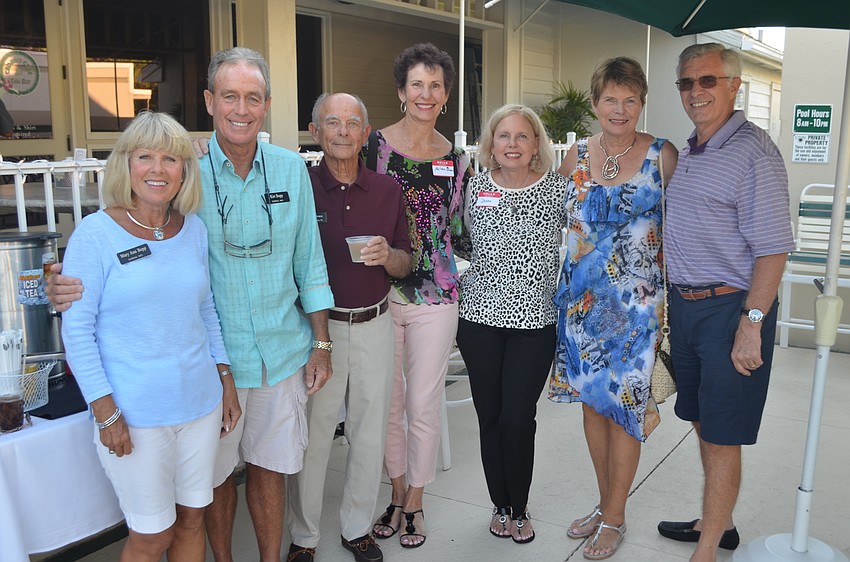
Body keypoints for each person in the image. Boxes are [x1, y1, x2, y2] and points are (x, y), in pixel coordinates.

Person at [47, 47, 335, 562]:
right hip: (209, 373)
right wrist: (64, 284)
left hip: (278, 353)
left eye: (252, 98)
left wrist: (321, 342)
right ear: (209, 101)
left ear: (267, 105)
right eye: (229, 96)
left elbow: (309, 263)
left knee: (268, 472)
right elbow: (122, 254)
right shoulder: (187, 167)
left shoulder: (291, 170)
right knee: (209, 488)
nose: (241, 109)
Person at [60, 110, 241, 562]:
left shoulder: (193, 229)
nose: (158, 169)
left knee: (192, 520)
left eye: (170, 159)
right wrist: (105, 412)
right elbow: (77, 330)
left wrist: (225, 378)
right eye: (145, 156)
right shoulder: (94, 235)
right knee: (152, 536)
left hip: (200, 406)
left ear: (184, 170)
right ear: (126, 164)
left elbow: (206, 310)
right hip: (136, 415)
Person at [656, 43, 794, 562]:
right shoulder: (691, 150)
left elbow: (774, 248)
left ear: (735, 85)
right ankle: (721, 523)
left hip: (731, 309)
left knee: (722, 434)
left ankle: (708, 549)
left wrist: (751, 323)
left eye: (708, 80)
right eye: (686, 82)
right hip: (687, 307)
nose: (696, 91)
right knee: (701, 419)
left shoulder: (754, 152)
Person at [548, 57, 678, 560]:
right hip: (582, 307)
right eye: (610, 99)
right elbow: (549, 214)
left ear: (641, 103)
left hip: (638, 312)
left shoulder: (662, 156)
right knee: (593, 407)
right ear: (595, 102)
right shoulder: (576, 155)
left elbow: (684, 227)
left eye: (630, 100)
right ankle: (605, 505)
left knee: (624, 411)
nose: (619, 109)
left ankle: (616, 516)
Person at [285, 93, 412, 562]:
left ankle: (357, 528)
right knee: (315, 436)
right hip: (319, 331)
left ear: (366, 133)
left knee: (369, 431)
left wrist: (388, 255)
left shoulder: (387, 189)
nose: (342, 131)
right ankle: (304, 536)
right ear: (315, 131)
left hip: (375, 323)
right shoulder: (300, 186)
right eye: (332, 122)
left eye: (352, 123)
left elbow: (406, 261)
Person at [367, 42, 470, 549]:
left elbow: (461, 228)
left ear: (445, 96)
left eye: (435, 85)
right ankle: (395, 491)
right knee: (389, 403)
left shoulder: (456, 159)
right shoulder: (373, 147)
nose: (425, 94)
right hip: (380, 293)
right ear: (401, 91)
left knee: (424, 403)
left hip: (437, 295)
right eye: (417, 85)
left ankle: (415, 502)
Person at [455, 104, 565, 545]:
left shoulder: (557, 188)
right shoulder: (476, 186)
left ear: (536, 143)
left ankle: (520, 507)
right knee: (490, 417)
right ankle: (499, 505)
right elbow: (461, 242)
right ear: (491, 144)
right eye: (504, 136)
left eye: (522, 136)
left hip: (534, 322)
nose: (513, 144)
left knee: (518, 418)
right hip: (478, 319)